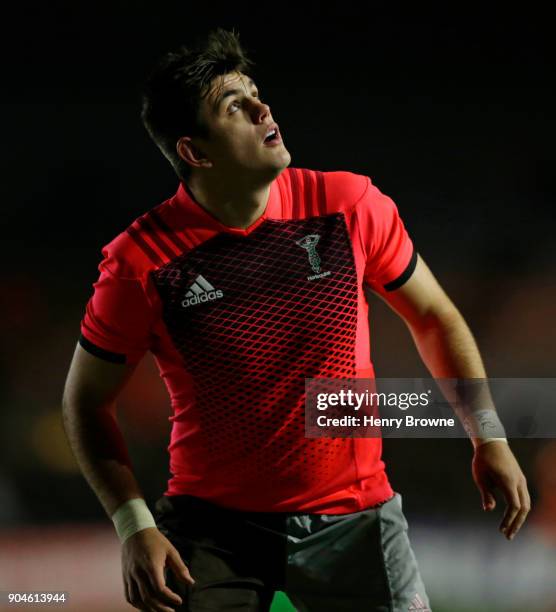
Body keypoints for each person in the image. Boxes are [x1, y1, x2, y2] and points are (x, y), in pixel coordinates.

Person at [62, 28, 531, 612]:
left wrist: (488, 433)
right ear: (195, 152)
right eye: (235, 106)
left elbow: (435, 316)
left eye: (256, 94)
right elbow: (85, 402)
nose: (263, 108)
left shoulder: (349, 205)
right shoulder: (141, 262)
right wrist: (134, 526)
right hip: (213, 535)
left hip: (358, 522)